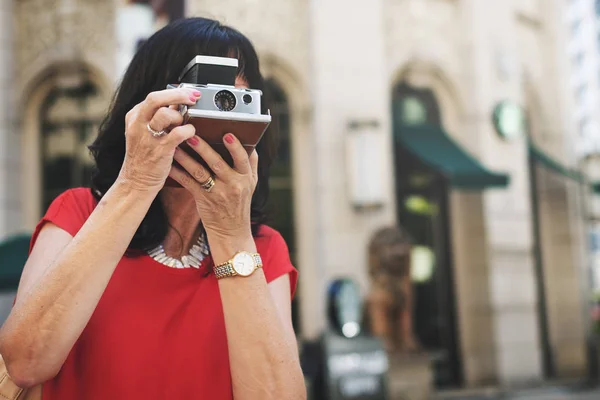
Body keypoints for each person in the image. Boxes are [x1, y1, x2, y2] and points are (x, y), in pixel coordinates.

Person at [0, 17, 305, 400]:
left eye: (234, 101)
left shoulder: (262, 247)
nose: (218, 117)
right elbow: (26, 362)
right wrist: (136, 183)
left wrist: (231, 234)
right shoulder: (78, 212)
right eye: (203, 97)